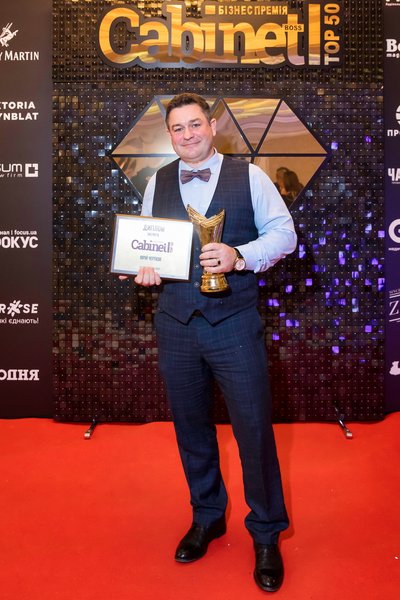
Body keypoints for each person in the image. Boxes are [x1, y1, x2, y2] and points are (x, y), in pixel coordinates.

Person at [132, 93, 297, 593]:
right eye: (177, 128)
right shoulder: (157, 181)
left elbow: (285, 235)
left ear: (212, 126)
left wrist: (239, 255)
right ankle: (207, 516)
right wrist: (142, 268)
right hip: (175, 323)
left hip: (234, 325)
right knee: (191, 429)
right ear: (170, 135)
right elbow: (148, 244)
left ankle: (266, 533)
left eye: (195, 124)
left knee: (254, 430)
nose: (187, 134)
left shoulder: (250, 177)